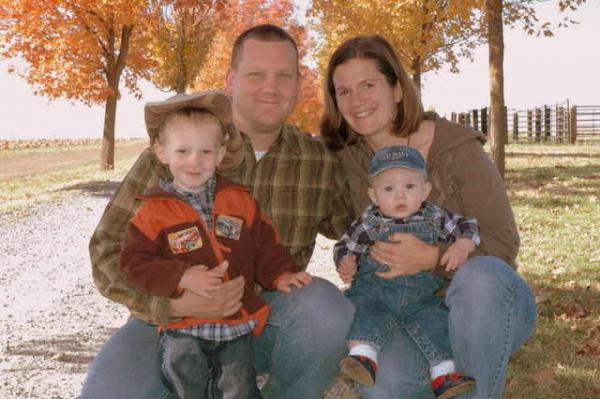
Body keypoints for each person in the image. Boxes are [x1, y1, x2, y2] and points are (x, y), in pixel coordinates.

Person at [82, 24, 355, 399]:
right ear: (231, 79)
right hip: (170, 321)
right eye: (256, 74)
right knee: (107, 392)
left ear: (298, 82)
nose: (270, 87)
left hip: (264, 316)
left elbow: (360, 229)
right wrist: (171, 301)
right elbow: (107, 251)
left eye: (284, 75)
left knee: (327, 311)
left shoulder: (318, 161)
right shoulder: (177, 154)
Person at [320, 35, 536, 399]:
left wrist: (435, 258)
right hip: (402, 311)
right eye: (344, 91)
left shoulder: (456, 149)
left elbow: (502, 242)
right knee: (386, 386)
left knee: (481, 276)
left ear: (398, 90)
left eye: (368, 85)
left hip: (480, 308)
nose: (356, 101)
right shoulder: (345, 160)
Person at [119, 91, 312, 398]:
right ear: (161, 152)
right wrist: (179, 277)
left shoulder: (240, 201)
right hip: (183, 326)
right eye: (182, 151)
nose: (194, 161)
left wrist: (281, 274)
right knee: (187, 386)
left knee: (238, 387)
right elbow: (133, 263)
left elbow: (265, 246)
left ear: (220, 154)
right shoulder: (152, 212)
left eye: (205, 152)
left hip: (234, 325)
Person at [335, 145, 478, 398]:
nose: (400, 196)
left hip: (423, 298)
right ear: (374, 195)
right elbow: (346, 245)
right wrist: (346, 261)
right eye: (389, 189)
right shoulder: (369, 222)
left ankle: (444, 374)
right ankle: (363, 357)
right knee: (363, 311)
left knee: (437, 322)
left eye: (410, 187)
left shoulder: (436, 216)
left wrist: (463, 243)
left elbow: (468, 226)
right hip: (375, 292)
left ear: (425, 190)